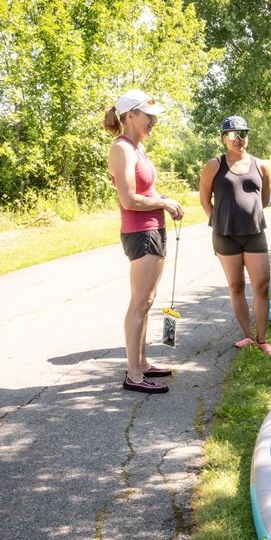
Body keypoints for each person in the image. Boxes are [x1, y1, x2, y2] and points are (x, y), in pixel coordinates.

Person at [103, 89, 184, 393]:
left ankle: (142, 362)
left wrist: (163, 204)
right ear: (130, 116)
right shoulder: (122, 149)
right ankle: (133, 375)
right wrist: (164, 202)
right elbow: (129, 199)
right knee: (139, 303)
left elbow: (144, 193)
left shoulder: (137, 148)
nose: (154, 121)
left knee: (147, 301)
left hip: (153, 228)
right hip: (141, 231)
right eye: (149, 116)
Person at [198, 115, 271, 356]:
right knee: (236, 285)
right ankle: (247, 335)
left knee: (262, 286)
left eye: (243, 133)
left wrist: (250, 215)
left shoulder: (261, 165)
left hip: (254, 233)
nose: (238, 139)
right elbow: (204, 199)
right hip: (225, 236)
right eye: (232, 134)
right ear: (224, 138)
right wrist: (218, 219)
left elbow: (264, 198)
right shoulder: (214, 164)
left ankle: (262, 339)